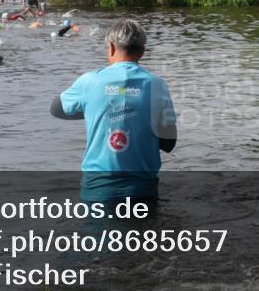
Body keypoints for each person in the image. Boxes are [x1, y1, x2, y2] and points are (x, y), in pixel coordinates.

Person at [50, 19, 177, 202]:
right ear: (142, 51)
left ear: (110, 47)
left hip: (98, 191)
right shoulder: (157, 85)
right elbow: (169, 143)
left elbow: (56, 109)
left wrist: (95, 111)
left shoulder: (89, 82)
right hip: (142, 190)